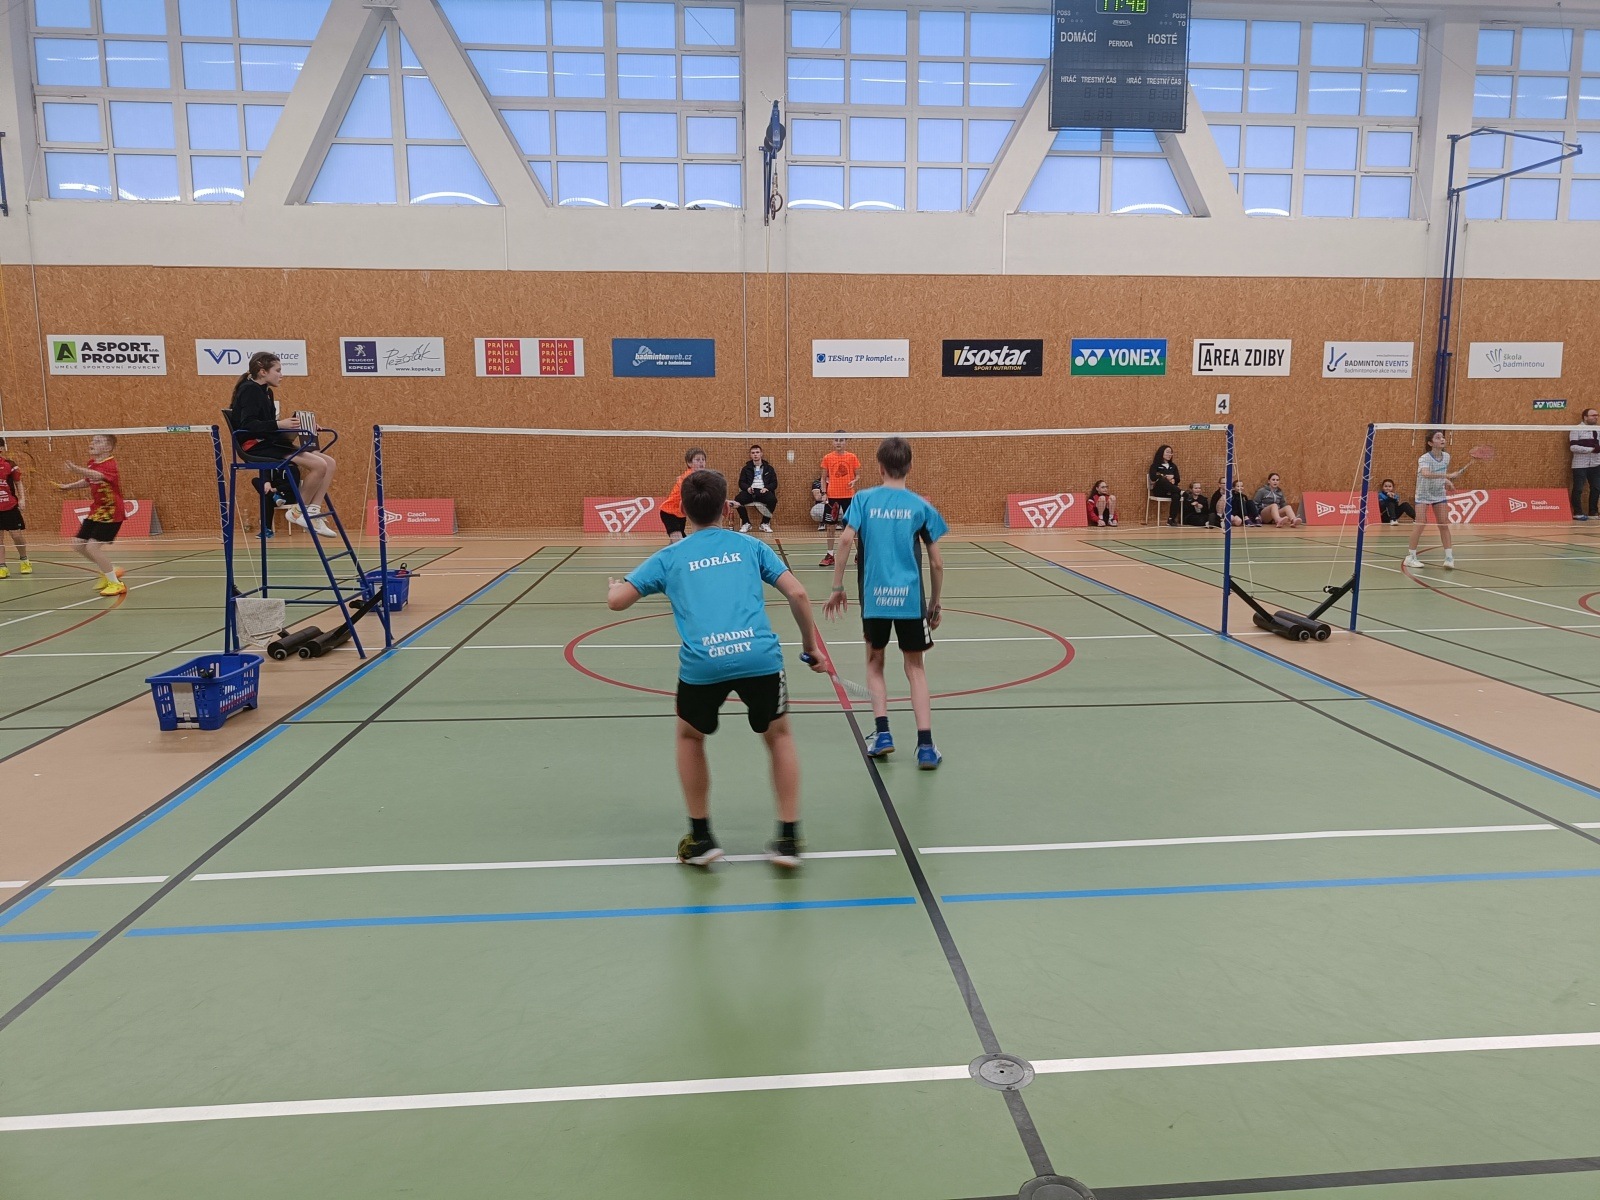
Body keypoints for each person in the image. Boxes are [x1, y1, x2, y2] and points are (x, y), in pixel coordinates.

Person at [607, 469, 826, 868]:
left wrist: (613, 586)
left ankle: (702, 838)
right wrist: (811, 649)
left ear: (683, 511)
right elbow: (797, 592)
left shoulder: (670, 557)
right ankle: (788, 841)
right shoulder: (750, 546)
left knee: (690, 736)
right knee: (778, 735)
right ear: (727, 508)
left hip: (703, 662)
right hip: (759, 657)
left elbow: (617, 602)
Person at [824, 436, 947, 769]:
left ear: (879, 467)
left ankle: (883, 734)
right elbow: (937, 563)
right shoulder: (921, 506)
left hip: (874, 599)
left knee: (875, 662)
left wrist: (837, 586)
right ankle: (925, 746)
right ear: (909, 467)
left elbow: (845, 540)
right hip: (910, 600)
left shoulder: (862, 499)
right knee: (915, 669)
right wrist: (934, 604)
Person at [229, 351, 337, 536]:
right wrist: (279, 425)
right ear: (263, 372)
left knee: (330, 463)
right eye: (277, 370)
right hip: (255, 446)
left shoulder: (267, 392)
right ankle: (297, 512)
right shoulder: (249, 390)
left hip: (271, 442)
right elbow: (248, 425)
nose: (281, 375)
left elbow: (269, 425)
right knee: (319, 465)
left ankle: (313, 512)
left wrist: (302, 425)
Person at [54, 433, 126, 596]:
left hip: (111, 513)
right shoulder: (92, 463)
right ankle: (110, 570)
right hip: (97, 511)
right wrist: (68, 486)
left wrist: (76, 469)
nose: (92, 443)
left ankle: (116, 583)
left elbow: (97, 476)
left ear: (108, 447)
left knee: (92, 547)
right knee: (78, 545)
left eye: (98, 441)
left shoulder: (110, 465)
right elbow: (88, 480)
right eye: (92, 440)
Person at [1405, 430, 1475, 570]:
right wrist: (1447, 476)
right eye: (1438, 438)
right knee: (1420, 523)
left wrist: (1447, 482)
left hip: (1439, 494)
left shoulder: (1446, 457)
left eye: (1443, 437)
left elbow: (1440, 473)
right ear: (1430, 443)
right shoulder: (1424, 458)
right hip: (1423, 494)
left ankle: (1449, 558)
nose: (1442, 439)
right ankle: (1410, 557)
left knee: (1443, 524)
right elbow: (1426, 473)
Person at [819, 432, 860, 568]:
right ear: (832, 442)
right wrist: (824, 493)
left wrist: (854, 481)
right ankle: (830, 555)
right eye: (836, 440)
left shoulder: (852, 457)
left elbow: (857, 475)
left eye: (841, 440)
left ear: (846, 442)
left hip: (849, 496)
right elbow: (823, 478)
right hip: (832, 496)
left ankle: (859, 554)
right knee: (830, 527)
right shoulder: (827, 458)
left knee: (853, 526)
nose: (838, 442)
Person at [658, 447, 706, 541]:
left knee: (678, 541)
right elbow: (687, 489)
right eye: (697, 460)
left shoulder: (701, 477)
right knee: (678, 540)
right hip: (669, 512)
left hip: (680, 514)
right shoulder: (688, 477)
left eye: (703, 459)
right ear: (689, 463)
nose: (701, 462)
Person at [0, 439, 31, 578]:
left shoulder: (10, 465)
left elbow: (18, 482)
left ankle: (24, 560)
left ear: (1, 448)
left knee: (16, 536)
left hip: (10, 506)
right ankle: (2, 567)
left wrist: (22, 499)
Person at [735, 444, 778, 532]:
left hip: (763, 491)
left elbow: (774, 483)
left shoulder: (769, 468)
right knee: (737, 500)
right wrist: (747, 488)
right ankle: (746, 523)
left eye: (757, 452)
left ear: (761, 454)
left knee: (773, 500)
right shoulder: (746, 469)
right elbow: (741, 483)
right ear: (750, 455)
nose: (755, 454)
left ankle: (764, 523)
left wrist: (766, 488)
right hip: (750, 491)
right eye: (753, 453)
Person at [1570, 408, 1600, 521]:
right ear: (1585, 417)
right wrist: (1591, 449)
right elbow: (1573, 447)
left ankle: (1593, 512)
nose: (1596, 417)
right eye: (1593, 415)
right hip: (1580, 464)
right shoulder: (1576, 429)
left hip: (1596, 463)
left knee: (1596, 488)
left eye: (1597, 415)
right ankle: (1577, 512)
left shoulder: (1598, 430)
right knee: (1578, 488)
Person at [1147, 444, 1180, 525]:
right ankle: (1181, 491)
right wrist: (1165, 477)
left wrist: (1173, 480)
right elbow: (1153, 477)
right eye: (1167, 452)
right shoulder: (1155, 465)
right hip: (1159, 490)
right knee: (1162, 480)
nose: (1170, 454)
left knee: (1176, 495)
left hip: (1171, 490)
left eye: (1171, 453)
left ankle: (1171, 519)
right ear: (1161, 453)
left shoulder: (1173, 466)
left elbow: (1177, 479)